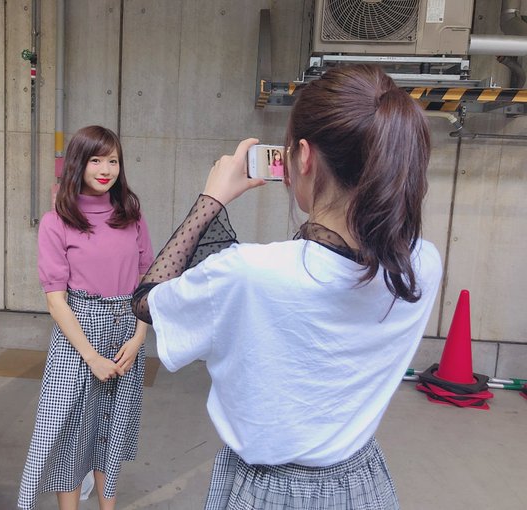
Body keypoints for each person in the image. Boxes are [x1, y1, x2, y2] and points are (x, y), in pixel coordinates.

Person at [131, 64, 442, 509]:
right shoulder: (419, 265)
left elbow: (147, 301)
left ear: (304, 157)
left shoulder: (248, 274)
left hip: (267, 491)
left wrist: (211, 199)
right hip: (363, 483)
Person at [18, 125, 154, 510]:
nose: (105, 169)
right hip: (78, 333)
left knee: (111, 430)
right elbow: (56, 301)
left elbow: (148, 282)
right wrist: (91, 356)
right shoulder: (57, 221)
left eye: (113, 161)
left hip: (126, 330)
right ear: (79, 163)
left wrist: (139, 337)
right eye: (96, 160)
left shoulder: (132, 215)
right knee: (71, 434)